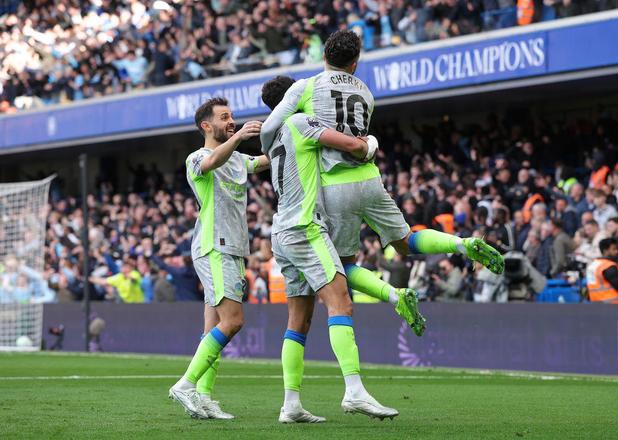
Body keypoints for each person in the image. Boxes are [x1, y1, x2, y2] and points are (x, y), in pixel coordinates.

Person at [260, 29, 503, 326]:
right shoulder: (366, 93)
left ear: (323, 56)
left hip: (334, 185)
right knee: (406, 241)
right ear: (355, 63)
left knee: (341, 267)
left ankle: (392, 298)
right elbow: (358, 135)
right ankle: (461, 244)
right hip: (370, 178)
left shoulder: (307, 87)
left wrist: (270, 148)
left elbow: (271, 127)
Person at [261, 76, 397, 422]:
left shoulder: (273, 135)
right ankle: (354, 391)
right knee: (341, 302)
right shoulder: (300, 121)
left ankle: (291, 404)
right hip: (305, 227)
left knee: (299, 320)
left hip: (282, 230)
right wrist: (370, 143)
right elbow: (349, 144)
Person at [168, 97, 269, 420]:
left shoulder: (237, 159)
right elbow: (212, 162)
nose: (231, 121)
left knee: (213, 327)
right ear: (206, 126)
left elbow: (262, 162)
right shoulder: (197, 158)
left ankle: (203, 396)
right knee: (233, 321)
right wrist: (239, 137)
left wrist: (290, 140)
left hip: (234, 248)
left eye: (232, 116)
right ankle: (185, 385)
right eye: (224, 117)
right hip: (214, 246)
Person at [586, 238, 618, 304]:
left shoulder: (593, 265)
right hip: (614, 304)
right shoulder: (608, 266)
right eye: (614, 249)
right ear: (605, 251)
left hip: (596, 304)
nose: (617, 252)